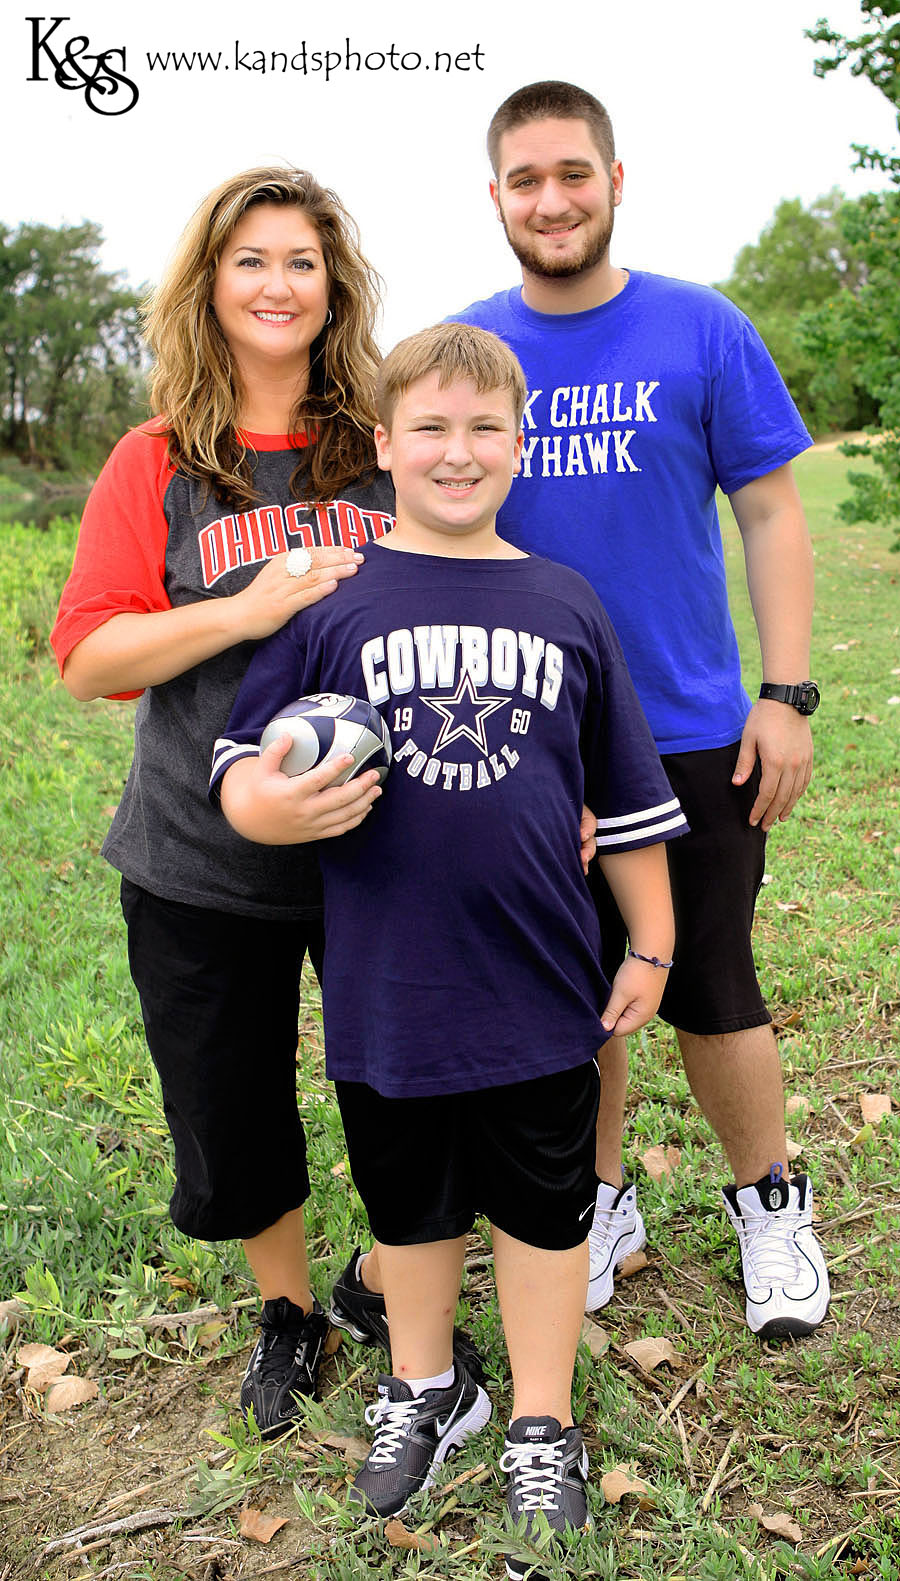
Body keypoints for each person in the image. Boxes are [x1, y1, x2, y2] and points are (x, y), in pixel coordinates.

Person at [211, 322, 687, 1574]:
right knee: (409, 1203)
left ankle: (541, 1414)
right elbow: (242, 764)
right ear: (383, 445)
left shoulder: (564, 599)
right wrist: (270, 801)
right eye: (429, 427)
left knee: (544, 1202)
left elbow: (625, 795)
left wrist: (652, 940)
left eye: (485, 428)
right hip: (386, 984)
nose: (457, 451)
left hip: (540, 977)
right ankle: (428, 1386)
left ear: (520, 445)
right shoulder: (339, 605)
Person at [451, 81, 830, 1338]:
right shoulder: (470, 351)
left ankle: (769, 1203)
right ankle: (601, 1199)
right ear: (493, 195)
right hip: (521, 741)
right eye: (525, 179)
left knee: (712, 982)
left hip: (684, 726)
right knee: (578, 991)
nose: (550, 200)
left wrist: (783, 694)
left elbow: (771, 511)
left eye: (572, 173)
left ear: (618, 179)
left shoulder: (701, 328)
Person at [50, 165, 407, 1438]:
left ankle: (392, 1283)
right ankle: (291, 1313)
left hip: (382, 845)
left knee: (409, 1086)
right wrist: (240, 611)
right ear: (211, 283)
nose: (276, 283)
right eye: (249, 259)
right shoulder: (156, 461)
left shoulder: (384, 443)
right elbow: (88, 658)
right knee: (232, 1097)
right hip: (199, 853)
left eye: (301, 260)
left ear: (333, 286)